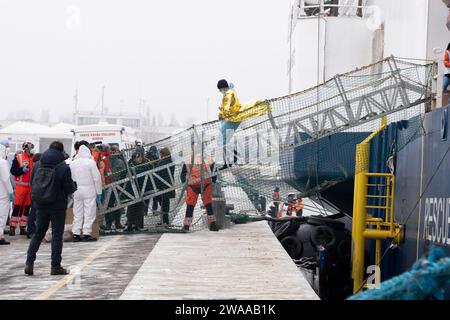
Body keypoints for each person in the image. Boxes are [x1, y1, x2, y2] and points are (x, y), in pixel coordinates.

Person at [25, 141, 77, 276]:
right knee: (57, 235)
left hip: (40, 204)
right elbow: (68, 188)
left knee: (38, 233)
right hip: (57, 206)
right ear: (61, 151)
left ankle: (29, 262)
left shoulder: (37, 164)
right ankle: (55, 266)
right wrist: (73, 187)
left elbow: (32, 183)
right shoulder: (63, 167)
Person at [181, 143, 219, 232]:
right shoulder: (208, 158)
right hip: (206, 184)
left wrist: (185, 184)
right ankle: (212, 224)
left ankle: (186, 225)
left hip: (192, 185)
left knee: (190, 206)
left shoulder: (188, 159)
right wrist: (213, 182)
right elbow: (214, 171)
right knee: (208, 205)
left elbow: (182, 174)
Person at [69, 145, 102, 242]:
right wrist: (98, 192)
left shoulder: (73, 163)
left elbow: (69, 177)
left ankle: (76, 233)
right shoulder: (91, 163)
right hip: (89, 189)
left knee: (77, 212)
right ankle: (87, 233)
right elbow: (96, 178)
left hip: (76, 189)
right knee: (89, 212)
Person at [9, 142, 35, 236]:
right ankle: (12, 227)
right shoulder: (19, 157)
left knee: (27, 208)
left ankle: (23, 227)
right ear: (26, 148)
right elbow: (13, 171)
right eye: (31, 147)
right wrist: (22, 170)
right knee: (17, 207)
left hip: (30, 187)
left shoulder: (33, 158)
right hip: (20, 186)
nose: (32, 149)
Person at [217, 79, 242, 166]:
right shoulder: (230, 91)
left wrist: (222, 113)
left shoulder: (228, 94)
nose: (220, 91)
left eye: (220, 90)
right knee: (224, 141)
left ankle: (229, 160)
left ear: (223, 88)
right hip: (234, 119)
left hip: (233, 119)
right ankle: (231, 159)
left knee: (221, 140)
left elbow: (227, 109)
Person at [104, 145, 126, 230]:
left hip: (111, 186)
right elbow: (124, 173)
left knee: (111, 205)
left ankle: (111, 224)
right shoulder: (120, 161)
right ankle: (115, 223)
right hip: (116, 185)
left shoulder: (106, 160)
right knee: (115, 205)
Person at [154, 147, 176, 225]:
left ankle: (164, 221)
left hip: (162, 186)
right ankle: (165, 221)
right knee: (165, 204)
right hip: (168, 185)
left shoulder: (162, 162)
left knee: (163, 204)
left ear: (162, 154)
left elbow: (156, 172)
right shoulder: (171, 162)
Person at [26, 153, 42, 239]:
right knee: (36, 211)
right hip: (40, 192)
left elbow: (31, 179)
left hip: (34, 191)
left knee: (33, 211)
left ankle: (30, 230)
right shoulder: (41, 164)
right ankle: (32, 230)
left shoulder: (35, 165)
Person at [0, 144, 14, 245]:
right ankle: (0, 236)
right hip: (2, 193)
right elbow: (5, 179)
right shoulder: (3, 163)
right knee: (2, 215)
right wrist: (11, 192)